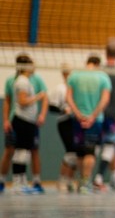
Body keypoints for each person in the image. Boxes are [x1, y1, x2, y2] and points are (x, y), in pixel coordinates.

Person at [66, 55, 112, 194]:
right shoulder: (103, 77)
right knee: (90, 152)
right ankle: (86, 183)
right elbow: (105, 100)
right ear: (98, 64)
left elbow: (68, 97)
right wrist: (92, 116)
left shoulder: (74, 75)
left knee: (80, 152)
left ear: (87, 63)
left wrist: (78, 114)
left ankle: (81, 181)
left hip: (77, 120)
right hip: (95, 120)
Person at [6, 55, 47, 193]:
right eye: (31, 64)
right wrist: (38, 97)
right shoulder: (22, 81)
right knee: (20, 152)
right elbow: (22, 101)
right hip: (22, 120)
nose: (34, 67)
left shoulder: (25, 81)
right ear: (26, 67)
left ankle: (22, 181)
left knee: (24, 152)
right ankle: (18, 183)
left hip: (28, 121)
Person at [95, 39, 115, 192]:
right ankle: (99, 177)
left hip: (99, 114)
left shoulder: (99, 72)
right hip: (114, 115)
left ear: (105, 53)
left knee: (103, 147)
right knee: (109, 147)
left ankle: (114, 178)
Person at [46, 64, 78, 193]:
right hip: (64, 122)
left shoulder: (76, 88)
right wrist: (63, 109)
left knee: (76, 153)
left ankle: (70, 180)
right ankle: (62, 180)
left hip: (76, 121)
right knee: (70, 151)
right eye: (66, 73)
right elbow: (51, 107)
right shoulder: (60, 88)